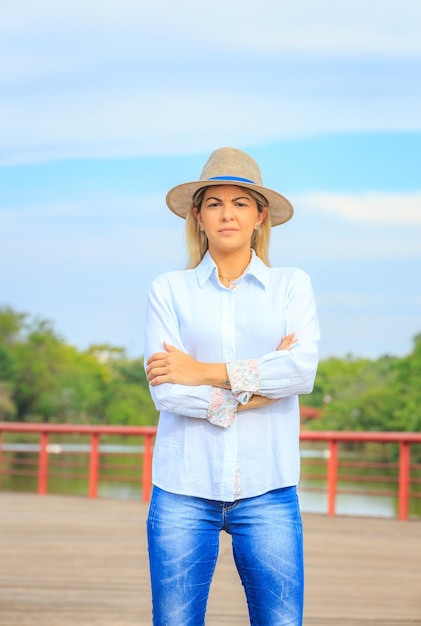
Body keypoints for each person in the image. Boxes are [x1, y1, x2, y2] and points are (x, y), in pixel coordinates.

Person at [144, 147, 320, 626]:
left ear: (260, 216)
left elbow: (301, 372)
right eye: (215, 203)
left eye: (240, 203)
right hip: (183, 487)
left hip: (269, 488)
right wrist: (262, 386)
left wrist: (201, 371)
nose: (227, 214)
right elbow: (167, 392)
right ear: (197, 216)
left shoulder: (291, 286)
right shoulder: (168, 290)